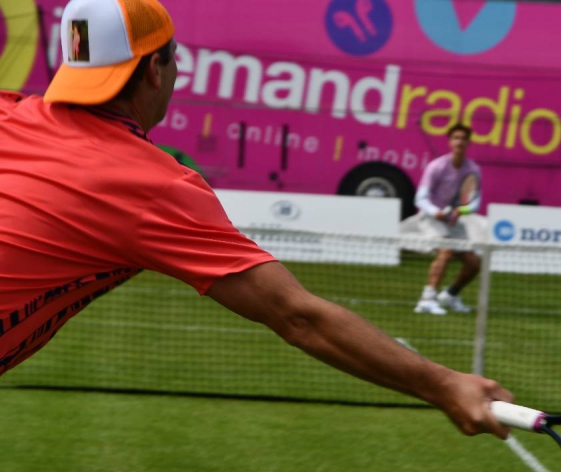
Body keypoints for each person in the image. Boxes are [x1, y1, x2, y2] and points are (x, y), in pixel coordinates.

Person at [0, 0, 512, 440]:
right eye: (174, 61)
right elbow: (298, 317)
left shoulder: (9, 111)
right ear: (156, 68)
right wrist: (445, 384)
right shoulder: (152, 185)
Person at [413, 124, 482, 315]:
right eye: (456, 138)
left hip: (453, 219)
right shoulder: (436, 167)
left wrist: (462, 210)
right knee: (446, 251)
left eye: (463, 138)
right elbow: (420, 198)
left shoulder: (473, 170)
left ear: (468, 142)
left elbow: (475, 202)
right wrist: (437, 212)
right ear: (450, 141)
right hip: (431, 218)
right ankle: (427, 299)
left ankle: (450, 295)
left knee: (474, 263)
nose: (459, 141)